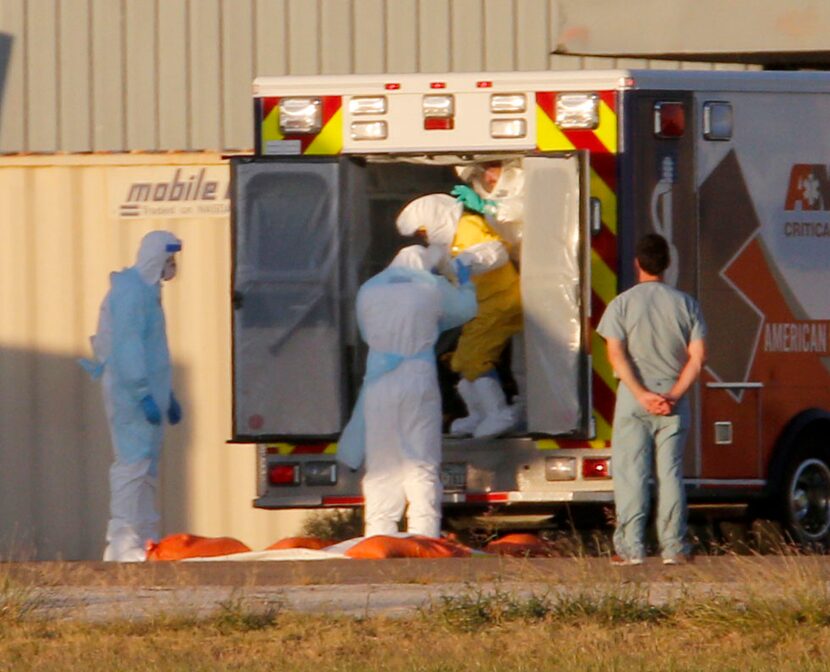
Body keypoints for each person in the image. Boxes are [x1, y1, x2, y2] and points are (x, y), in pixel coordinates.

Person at [338, 245, 477, 538]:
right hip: (417, 376)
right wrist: (464, 282)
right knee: (420, 456)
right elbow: (465, 310)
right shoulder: (430, 286)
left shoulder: (369, 289)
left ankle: (378, 533)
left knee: (381, 462)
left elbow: (366, 332)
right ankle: (424, 534)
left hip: (378, 380)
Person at [597, 233, 706, 566]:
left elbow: (615, 355)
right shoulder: (687, 305)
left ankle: (631, 549)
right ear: (667, 264)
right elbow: (698, 358)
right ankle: (673, 547)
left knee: (631, 473)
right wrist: (672, 396)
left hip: (634, 400)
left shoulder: (622, 304)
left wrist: (642, 394)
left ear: (637, 264)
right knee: (670, 473)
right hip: (673, 402)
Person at [79, 231, 183, 561]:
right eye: (169, 259)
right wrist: (142, 393)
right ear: (157, 258)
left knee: (147, 467)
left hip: (148, 392)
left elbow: (153, 351)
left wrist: (167, 394)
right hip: (130, 392)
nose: (172, 266)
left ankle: (146, 537)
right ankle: (122, 541)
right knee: (131, 464)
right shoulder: (131, 292)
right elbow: (128, 349)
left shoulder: (148, 292)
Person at [396, 193, 522, 438]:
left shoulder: (467, 227)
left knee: (475, 358)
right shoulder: (447, 240)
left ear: (434, 219)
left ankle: (499, 414)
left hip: (500, 301)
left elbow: (496, 252)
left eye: (423, 230)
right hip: (483, 305)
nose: (424, 236)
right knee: (460, 362)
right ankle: (478, 415)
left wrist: (469, 260)